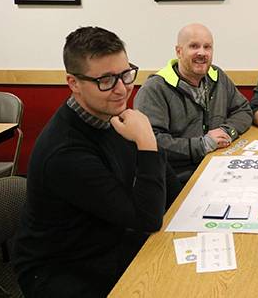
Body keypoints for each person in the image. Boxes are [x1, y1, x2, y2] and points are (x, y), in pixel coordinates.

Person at [13, 27, 181, 297]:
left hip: (108, 238)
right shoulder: (66, 152)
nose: (122, 89)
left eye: (125, 75)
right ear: (73, 83)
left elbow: (171, 190)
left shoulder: (111, 116)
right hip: (64, 270)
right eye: (106, 80)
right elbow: (146, 219)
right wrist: (147, 142)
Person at [134, 23, 253, 182]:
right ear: (179, 51)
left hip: (217, 168)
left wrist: (227, 131)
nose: (202, 53)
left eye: (207, 47)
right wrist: (203, 145)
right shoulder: (154, 89)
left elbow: (244, 110)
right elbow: (151, 142)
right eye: (194, 46)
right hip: (177, 180)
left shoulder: (218, 77)